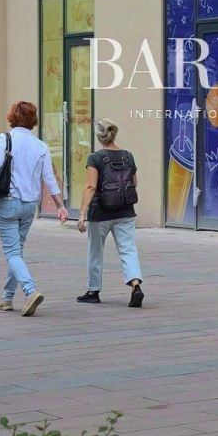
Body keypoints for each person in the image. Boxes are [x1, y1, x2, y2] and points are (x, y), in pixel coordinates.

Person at [0, 101, 68, 317]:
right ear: (33, 119)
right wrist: (60, 205)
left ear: (12, 117)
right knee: (17, 251)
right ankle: (7, 298)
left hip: (7, 201)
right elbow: (49, 178)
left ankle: (30, 291)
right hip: (30, 205)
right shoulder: (41, 146)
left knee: (12, 252)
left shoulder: (5, 139)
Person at [77, 118, 144, 308]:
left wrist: (82, 214)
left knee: (95, 252)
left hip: (100, 213)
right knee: (128, 249)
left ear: (99, 136)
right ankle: (135, 285)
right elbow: (134, 183)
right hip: (125, 211)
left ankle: (93, 291)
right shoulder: (128, 156)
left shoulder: (95, 158)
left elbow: (91, 187)